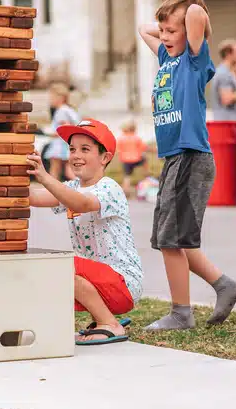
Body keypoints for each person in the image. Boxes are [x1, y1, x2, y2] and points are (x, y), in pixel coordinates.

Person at [137, 0, 236, 331]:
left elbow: (196, 13)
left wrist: (190, 4)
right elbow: (144, 29)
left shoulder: (195, 61)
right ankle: (224, 285)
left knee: (171, 240)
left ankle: (181, 314)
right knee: (174, 237)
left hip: (190, 156)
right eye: (164, 31)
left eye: (172, 31)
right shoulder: (168, 59)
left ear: (191, 33)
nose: (164, 37)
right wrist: (169, 23)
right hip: (174, 158)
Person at [27, 119, 144, 345]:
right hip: (100, 282)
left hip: (124, 282)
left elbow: (81, 204)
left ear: (105, 158)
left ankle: (110, 324)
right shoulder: (71, 188)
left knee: (63, 265)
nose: (75, 155)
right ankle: (101, 319)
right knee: (55, 272)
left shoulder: (109, 188)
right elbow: (35, 198)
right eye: (72, 149)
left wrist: (45, 176)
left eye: (85, 149)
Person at [44, 82, 80, 181]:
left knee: (55, 170)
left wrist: (50, 133)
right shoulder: (68, 110)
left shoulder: (61, 111)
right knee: (68, 170)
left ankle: (51, 191)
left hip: (59, 145)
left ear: (60, 97)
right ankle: (81, 188)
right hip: (68, 144)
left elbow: (65, 128)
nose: (49, 100)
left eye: (51, 97)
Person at [210, 39, 236, 121]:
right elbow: (226, 99)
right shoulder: (224, 73)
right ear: (228, 54)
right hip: (226, 123)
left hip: (231, 121)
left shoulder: (228, 72)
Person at [117, 120, 151, 198]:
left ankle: (126, 192)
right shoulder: (136, 138)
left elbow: (118, 149)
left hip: (126, 160)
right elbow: (144, 147)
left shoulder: (121, 138)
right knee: (145, 159)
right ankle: (147, 173)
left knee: (127, 176)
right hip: (136, 159)